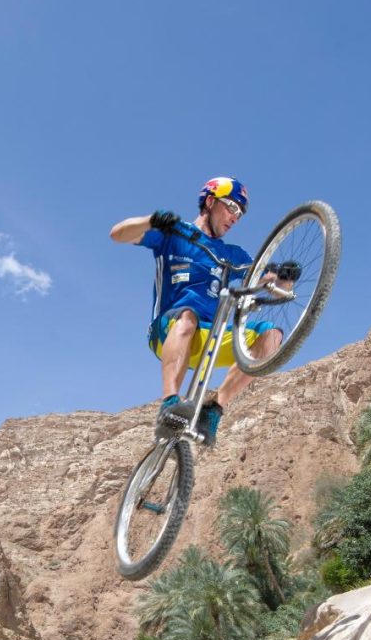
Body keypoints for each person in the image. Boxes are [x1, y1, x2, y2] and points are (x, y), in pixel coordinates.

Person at [108, 177, 284, 449]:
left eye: (240, 213)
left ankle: (214, 407)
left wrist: (285, 277)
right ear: (210, 201)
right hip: (169, 330)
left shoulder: (231, 254)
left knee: (271, 336)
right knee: (187, 316)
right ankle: (170, 405)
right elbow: (118, 234)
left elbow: (268, 281)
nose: (235, 217)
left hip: (209, 338)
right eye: (231, 208)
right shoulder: (175, 234)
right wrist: (152, 221)